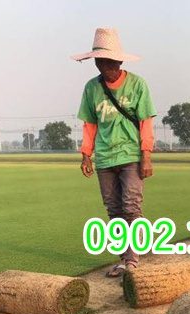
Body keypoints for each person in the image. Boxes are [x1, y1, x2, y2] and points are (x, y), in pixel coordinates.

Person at [72, 27, 157, 277]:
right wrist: (86, 155)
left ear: (120, 62)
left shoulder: (137, 85)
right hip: (105, 158)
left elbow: (146, 123)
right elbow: (90, 124)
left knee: (131, 207)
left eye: (110, 62)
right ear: (95, 62)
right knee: (114, 211)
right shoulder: (92, 88)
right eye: (100, 62)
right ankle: (124, 258)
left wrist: (146, 156)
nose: (105, 67)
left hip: (131, 156)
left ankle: (132, 260)